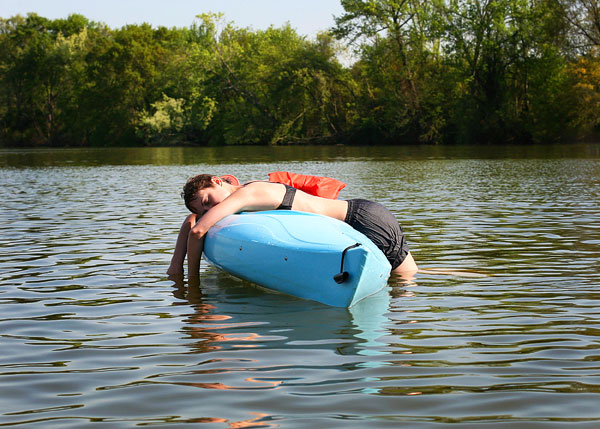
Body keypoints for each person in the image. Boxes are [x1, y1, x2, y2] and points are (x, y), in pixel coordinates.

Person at [167, 174, 418, 277]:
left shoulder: (247, 193)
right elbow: (193, 222)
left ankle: (407, 370)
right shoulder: (241, 194)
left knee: (403, 288)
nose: (211, 210)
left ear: (216, 181)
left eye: (208, 201)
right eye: (205, 209)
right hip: (357, 221)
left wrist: (192, 285)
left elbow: (199, 230)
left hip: (361, 219)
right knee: (402, 285)